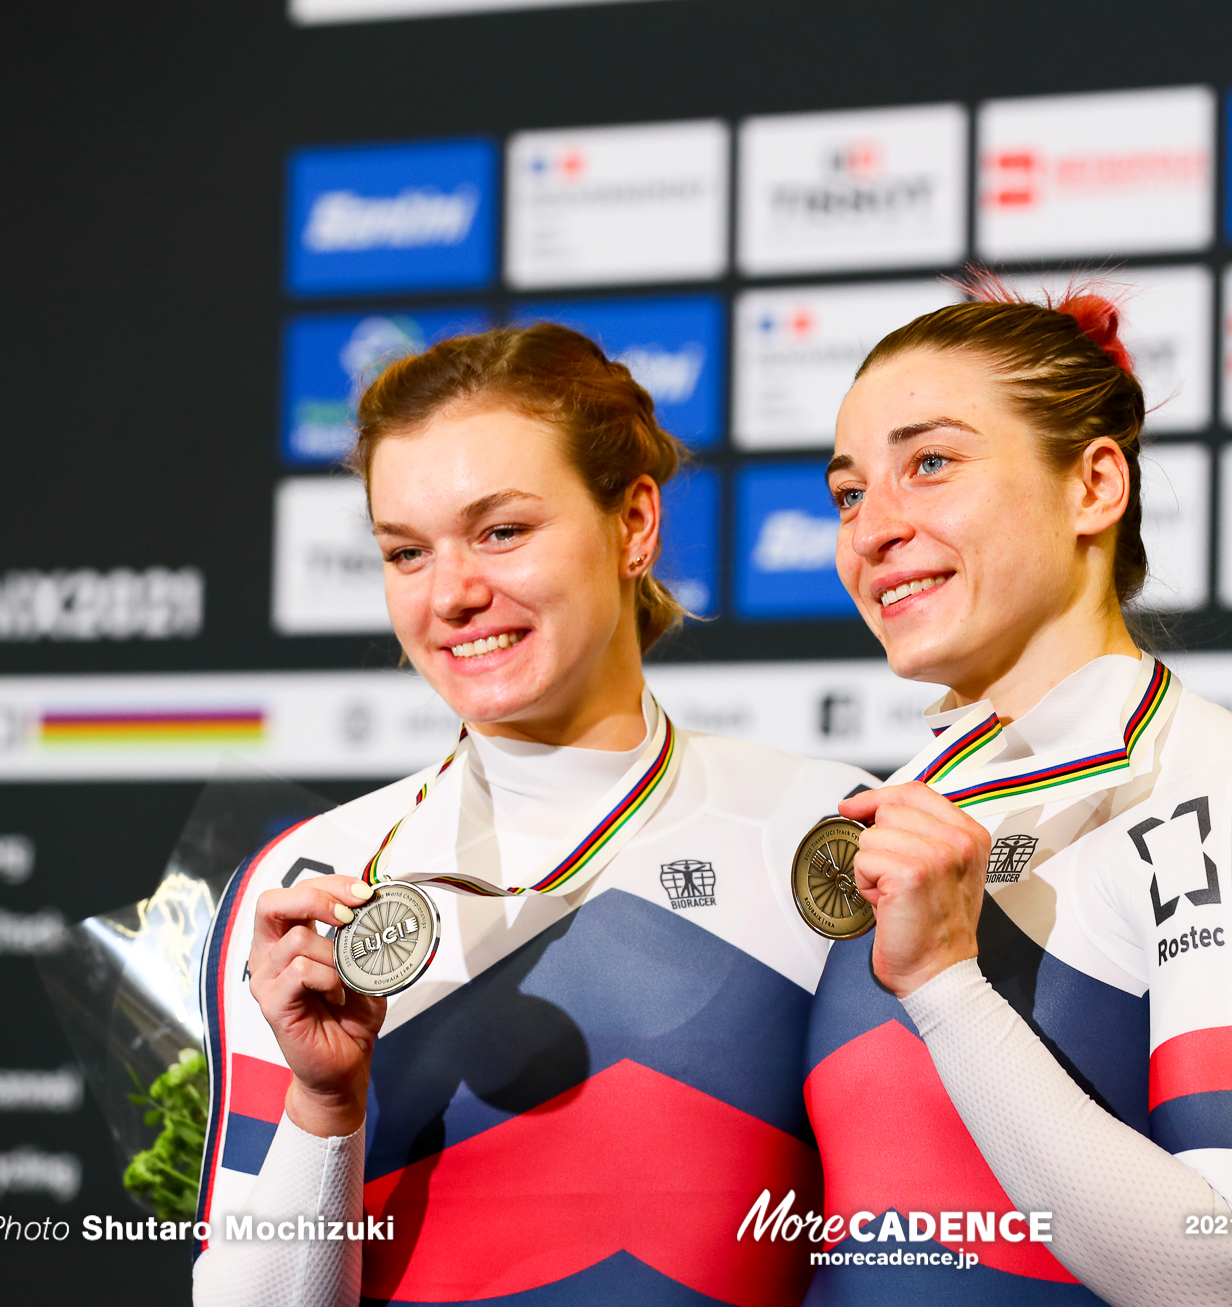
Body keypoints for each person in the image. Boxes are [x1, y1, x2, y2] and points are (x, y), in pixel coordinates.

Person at [193, 323, 872, 1307]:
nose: (455, 593)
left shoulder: (814, 828)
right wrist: (324, 1103)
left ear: (634, 523)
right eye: (406, 551)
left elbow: (925, 1250)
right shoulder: (310, 879)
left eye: (501, 530)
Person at [802, 279, 1232, 1307]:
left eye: (928, 464)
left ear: (1093, 486)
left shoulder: (1218, 790)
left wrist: (943, 984)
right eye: (848, 492)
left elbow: (1219, 1267)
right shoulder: (887, 809)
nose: (870, 528)